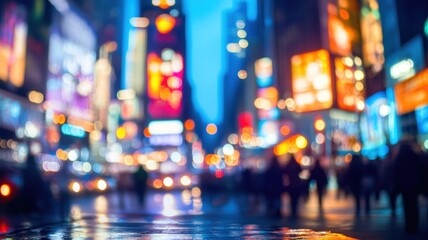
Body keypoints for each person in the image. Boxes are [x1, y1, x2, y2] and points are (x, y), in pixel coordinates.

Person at [393, 141, 423, 234]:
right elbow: (420, 169)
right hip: (413, 185)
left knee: (407, 205)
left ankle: (409, 225)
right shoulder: (415, 157)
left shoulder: (399, 158)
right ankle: (415, 223)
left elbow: (396, 174)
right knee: (414, 205)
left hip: (404, 186)